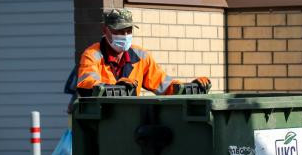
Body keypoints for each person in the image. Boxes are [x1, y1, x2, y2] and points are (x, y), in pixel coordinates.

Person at [75, 8, 210, 96]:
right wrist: (115, 88)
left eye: (129, 31)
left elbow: (164, 84)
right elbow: (86, 85)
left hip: (132, 119)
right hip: (104, 120)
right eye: (120, 31)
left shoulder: (141, 55)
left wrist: (192, 87)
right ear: (105, 30)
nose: (125, 35)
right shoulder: (92, 54)